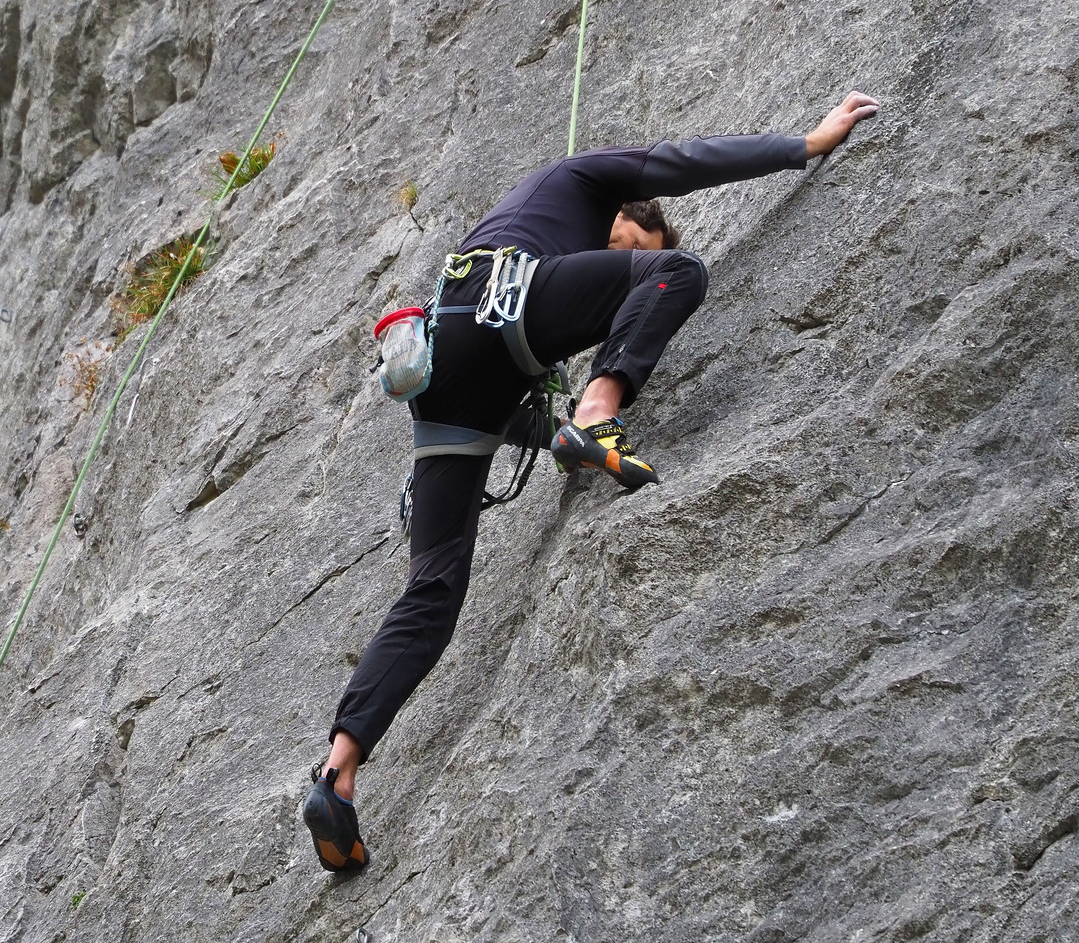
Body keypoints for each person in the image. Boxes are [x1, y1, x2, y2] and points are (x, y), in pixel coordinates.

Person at [302, 91, 881, 871]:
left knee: (432, 590)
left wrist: (556, 433)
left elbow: (516, 424)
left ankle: (337, 775)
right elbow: (680, 163)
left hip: (447, 377)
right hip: (502, 311)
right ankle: (602, 408)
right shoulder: (581, 180)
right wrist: (805, 144)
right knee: (677, 273)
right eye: (630, 238)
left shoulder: (526, 236)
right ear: (626, 211)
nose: (624, 255)